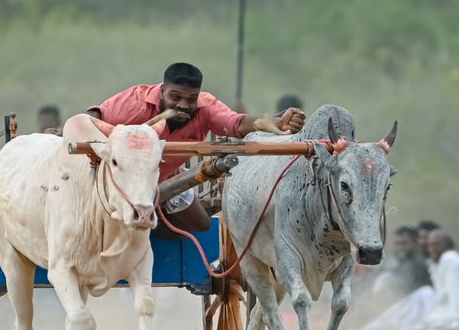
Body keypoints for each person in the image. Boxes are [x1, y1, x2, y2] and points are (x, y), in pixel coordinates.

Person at [88, 62, 306, 232]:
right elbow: (92, 118)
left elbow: (236, 123)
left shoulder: (206, 106)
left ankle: (157, 229)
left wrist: (273, 124)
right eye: (175, 97)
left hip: (168, 180)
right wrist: (61, 135)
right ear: (162, 91)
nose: (183, 105)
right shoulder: (135, 102)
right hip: (123, 183)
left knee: (202, 225)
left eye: (191, 99)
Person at [341, 229, 459, 330]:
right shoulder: (438, 262)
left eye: (436, 244)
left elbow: (457, 299)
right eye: (430, 245)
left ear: (448, 246)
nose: (432, 248)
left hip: (449, 321)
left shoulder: (450, 259)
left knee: (423, 296)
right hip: (439, 318)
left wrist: (457, 327)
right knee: (402, 329)